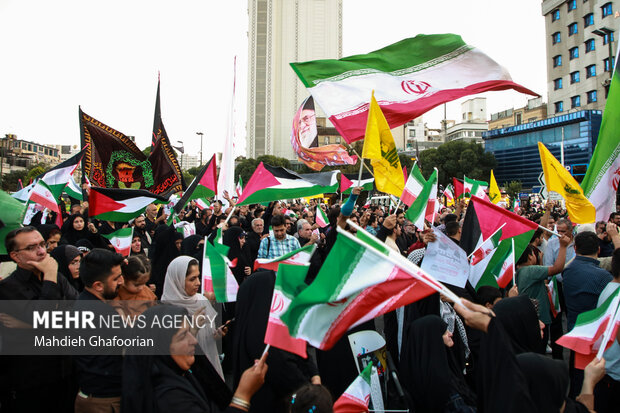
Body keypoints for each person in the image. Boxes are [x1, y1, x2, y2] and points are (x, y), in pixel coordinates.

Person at [122, 304, 268, 413]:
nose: (193, 341)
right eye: (182, 336)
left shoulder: (181, 374)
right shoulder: (170, 398)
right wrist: (243, 395)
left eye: (190, 332)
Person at [0, 226, 78, 413]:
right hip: (32, 381)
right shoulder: (8, 288)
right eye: (31, 247)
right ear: (15, 256)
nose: (42, 251)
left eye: (43, 244)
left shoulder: (58, 278)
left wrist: (27, 325)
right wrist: (50, 276)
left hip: (66, 372)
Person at [233, 270, 320, 413]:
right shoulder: (261, 338)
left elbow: (298, 347)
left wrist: (314, 372)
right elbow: (282, 368)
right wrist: (311, 393)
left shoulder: (263, 326)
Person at [73, 248, 125, 413]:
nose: (122, 281)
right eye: (116, 278)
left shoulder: (87, 304)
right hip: (104, 402)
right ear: (98, 286)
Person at [162, 256, 225, 378]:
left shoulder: (201, 300)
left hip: (209, 366)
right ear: (177, 280)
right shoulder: (167, 309)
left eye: (198, 277)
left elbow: (209, 334)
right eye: (192, 279)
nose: (198, 283)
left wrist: (217, 334)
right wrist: (193, 329)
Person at [400, 315, 476, 413]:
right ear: (433, 339)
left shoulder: (414, 372)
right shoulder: (441, 381)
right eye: (444, 332)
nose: (450, 334)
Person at [516, 234, 570, 354]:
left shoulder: (520, 271)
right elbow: (557, 268)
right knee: (538, 350)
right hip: (538, 320)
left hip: (529, 318)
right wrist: (563, 247)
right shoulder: (531, 270)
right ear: (530, 257)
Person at [563, 232, 613, 332]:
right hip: (594, 332)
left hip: (573, 329)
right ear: (599, 250)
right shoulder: (604, 277)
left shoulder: (567, 270)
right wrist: (615, 237)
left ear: (575, 249)